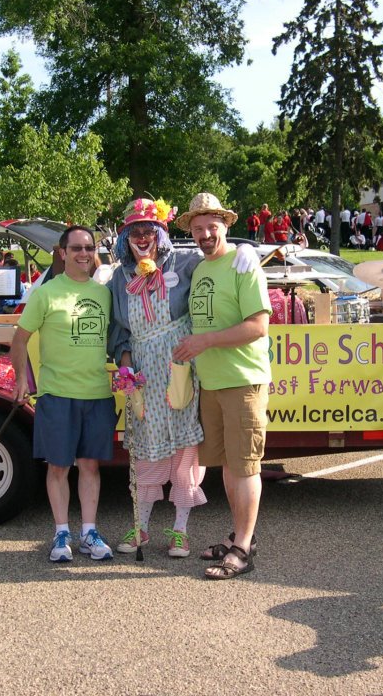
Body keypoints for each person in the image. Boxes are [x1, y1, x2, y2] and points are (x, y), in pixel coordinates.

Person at [107, 198, 256, 558]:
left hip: (181, 368)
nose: (142, 239)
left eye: (148, 231)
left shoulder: (185, 264)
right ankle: (141, 526)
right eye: (134, 233)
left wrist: (244, 251)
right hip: (143, 374)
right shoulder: (118, 278)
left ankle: (180, 530)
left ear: (160, 234)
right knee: (146, 449)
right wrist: (127, 368)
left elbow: (217, 255)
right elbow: (119, 331)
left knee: (185, 450)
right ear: (125, 239)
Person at [172, 192, 271, 580]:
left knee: (245, 466)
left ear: (225, 225)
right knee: (229, 465)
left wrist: (205, 341)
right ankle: (238, 536)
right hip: (211, 384)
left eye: (211, 226)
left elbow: (258, 326)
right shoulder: (200, 270)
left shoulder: (244, 265)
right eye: (198, 228)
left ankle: (243, 549)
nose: (205, 233)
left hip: (243, 381)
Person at [11, 225, 117, 563]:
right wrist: (21, 379)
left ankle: (89, 531)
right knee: (58, 466)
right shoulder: (46, 293)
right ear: (62, 252)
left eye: (88, 247)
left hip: (97, 393)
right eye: (76, 248)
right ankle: (61, 533)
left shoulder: (104, 294)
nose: (83, 253)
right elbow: (19, 339)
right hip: (57, 394)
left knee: (90, 466)